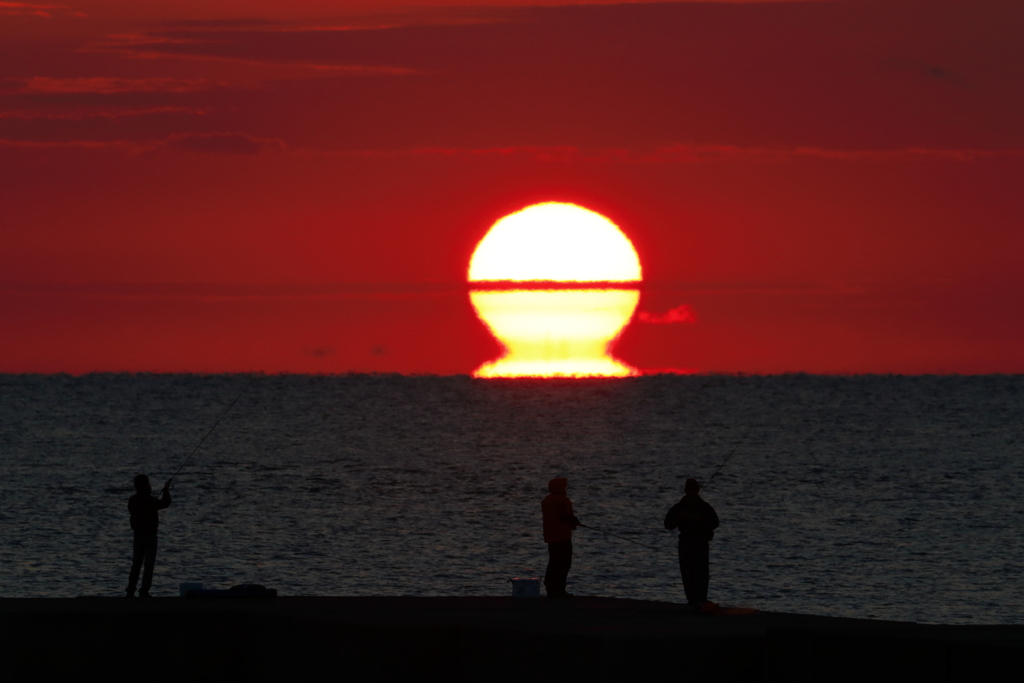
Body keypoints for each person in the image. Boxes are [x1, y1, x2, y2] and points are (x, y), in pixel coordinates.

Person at [664, 478, 719, 609]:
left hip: (701, 543)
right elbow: (668, 524)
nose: (692, 494)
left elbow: (715, 523)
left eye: (694, 491)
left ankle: (701, 600)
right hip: (685, 543)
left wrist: (702, 520)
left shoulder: (704, 507)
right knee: (687, 572)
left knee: (701, 573)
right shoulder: (679, 507)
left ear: (698, 491)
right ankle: (692, 600)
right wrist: (679, 518)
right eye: (690, 491)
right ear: (686, 491)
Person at [126, 474, 172, 598]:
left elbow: (134, 508)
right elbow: (165, 503)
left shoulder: (133, 500)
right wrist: (166, 489)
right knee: (149, 565)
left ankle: (130, 590)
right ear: (146, 486)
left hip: (138, 536)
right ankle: (144, 591)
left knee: (136, 564)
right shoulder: (150, 501)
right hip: (150, 536)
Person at [541, 477, 581, 599]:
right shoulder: (563, 500)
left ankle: (551, 589)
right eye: (564, 486)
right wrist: (574, 522)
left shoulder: (546, 500)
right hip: (562, 537)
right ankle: (559, 591)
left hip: (550, 537)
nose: (565, 488)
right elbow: (566, 517)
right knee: (563, 564)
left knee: (553, 563)